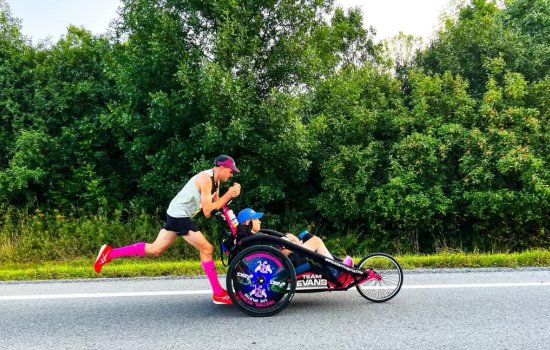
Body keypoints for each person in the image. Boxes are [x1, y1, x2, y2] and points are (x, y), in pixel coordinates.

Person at [94, 155, 242, 305]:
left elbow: (217, 204)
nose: (231, 175)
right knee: (207, 249)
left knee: (155, 250)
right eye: (231, 172)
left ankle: (109, 253)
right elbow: (207, 211)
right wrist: (229, 194)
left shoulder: (215, 182)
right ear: (222, 167)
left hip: (176, 213)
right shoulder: (205, 179)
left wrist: (231, 210)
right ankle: (218, 293)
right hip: (180, 216)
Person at [236, 208, 354, 281]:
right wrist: (290, 244)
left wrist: (288, 239)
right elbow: (278, 252)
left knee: (307, 237)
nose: (259, 221)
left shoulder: (252, 237)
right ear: (248, 221)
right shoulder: (255, 238)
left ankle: (336, 265)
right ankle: (336, 270)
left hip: (284, 259)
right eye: (256, 219)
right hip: (285, 262)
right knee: (316, 241)